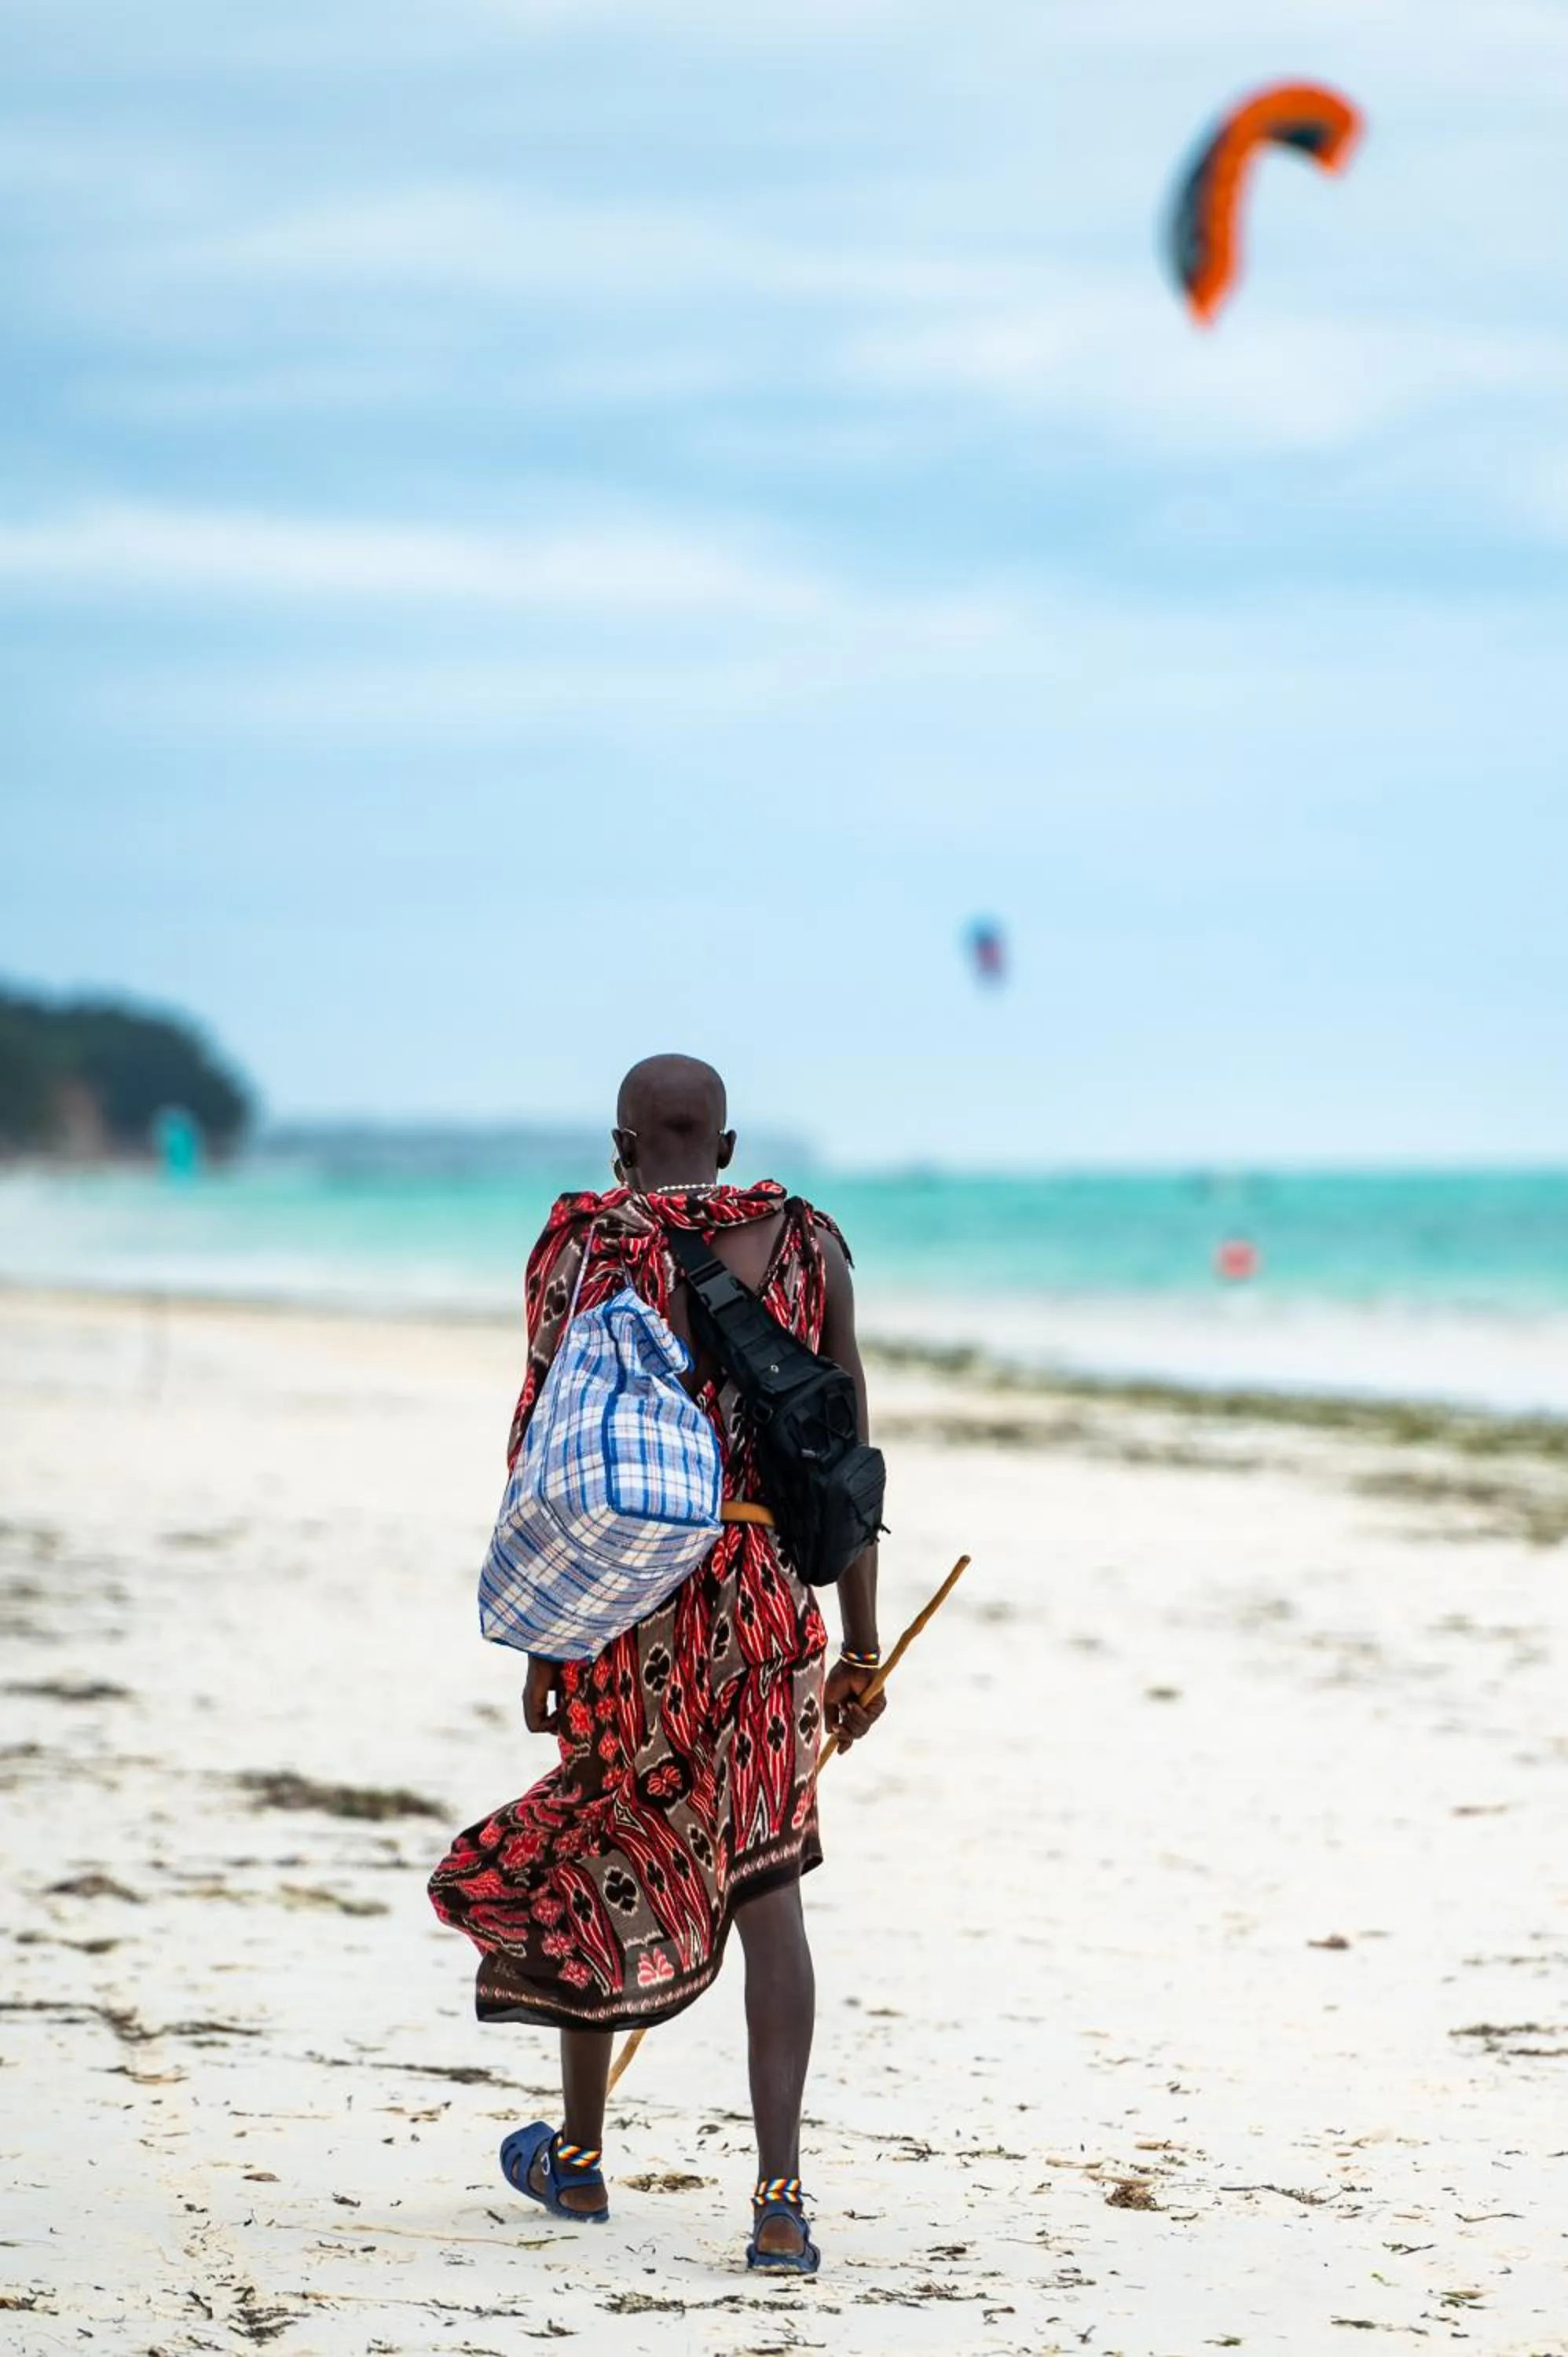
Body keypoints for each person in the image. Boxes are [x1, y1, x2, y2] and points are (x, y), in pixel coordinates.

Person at [428, 1054, 885, 2274]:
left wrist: (542, 1639)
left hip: (628, 1609)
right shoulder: (811, 1248)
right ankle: (779, 2204)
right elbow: (848, 1458)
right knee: (770, 1885)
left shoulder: (582, 1251)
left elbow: (547, 1454)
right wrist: (864, 1643)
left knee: (597, 1842)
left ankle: (577, 2162)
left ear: (621, 1146)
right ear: (726, 1146)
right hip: (764, 1606)